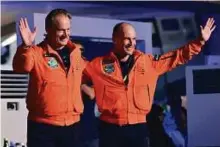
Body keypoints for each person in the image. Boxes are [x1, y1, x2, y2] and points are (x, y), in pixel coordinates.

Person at [82, 18, 216, 147]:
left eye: (134, 39)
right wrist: (87, 90)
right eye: (127, 38)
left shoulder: (148, 63)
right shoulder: (99, 64)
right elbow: (76, 76)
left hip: (138, 128)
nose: (131, 43)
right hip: (110, 129)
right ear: (115, 39)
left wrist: (200, 42)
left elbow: (177, 56)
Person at [13, 9, 86, 147]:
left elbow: (88, 72)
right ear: (49, 29)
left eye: (68, 29)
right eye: (61, 30)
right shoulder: (35, 52)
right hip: (43, 127)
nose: (66, 35)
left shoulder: (75, 52)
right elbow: (21, 67)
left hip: (72, 125)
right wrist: (26, 46)